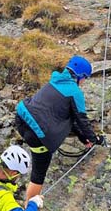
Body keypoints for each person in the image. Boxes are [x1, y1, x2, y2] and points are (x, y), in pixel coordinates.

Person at [15, 55, 104, 203]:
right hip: (38, 134)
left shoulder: (54, 81)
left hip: (22, 120)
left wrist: (83, 138)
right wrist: (95, 140)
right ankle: (28, 209)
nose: (83, 82)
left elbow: (70, 119)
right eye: (85, 78)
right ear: (80, 75)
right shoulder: (74, 92)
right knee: (38, 173)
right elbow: (81, 120)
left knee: (64, 118)